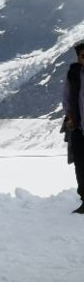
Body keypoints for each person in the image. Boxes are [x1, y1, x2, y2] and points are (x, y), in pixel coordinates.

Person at [62, 42, 84, 212]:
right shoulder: (74, 73)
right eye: (81, 55)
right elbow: (68, 97)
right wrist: (70, 117)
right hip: (79, 128)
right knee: (81, 166)